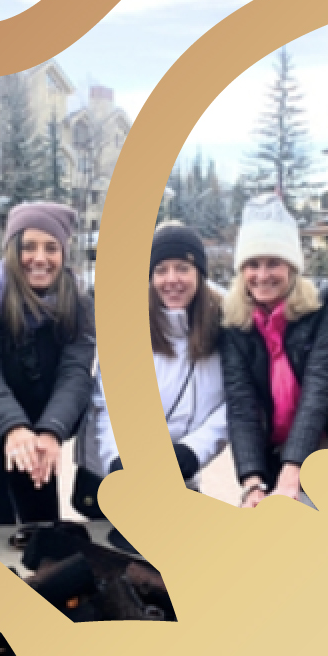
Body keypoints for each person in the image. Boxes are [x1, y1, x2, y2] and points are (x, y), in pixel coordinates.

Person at [74, 222, 229, 520]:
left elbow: (232, 404)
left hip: (182, 482)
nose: (172, 279)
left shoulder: (226, 332)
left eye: (182, 267)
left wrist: (191, 452)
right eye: (161, 270)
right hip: (121, 486)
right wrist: (117, 462)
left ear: (200, 273)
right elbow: (107, 406)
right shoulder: (128, 331)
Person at [0, 202, 95, 525]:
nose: (40, 257)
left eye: (51, 248)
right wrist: (13, 427)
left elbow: (75, 373)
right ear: (11, 249)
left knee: (43, 528)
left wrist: (51, 431)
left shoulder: (78, 303)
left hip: (41, 434)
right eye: (28, 246)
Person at [221, 194, 328, 509]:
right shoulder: (234, 319)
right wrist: (252, 482)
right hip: (271, 455)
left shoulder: (327, 303)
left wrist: (294, 471)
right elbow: (242, 404)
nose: (262, 275)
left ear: (292, 267)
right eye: (253, 264)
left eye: (273, 263)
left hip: (323, 447)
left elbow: (319, 386)